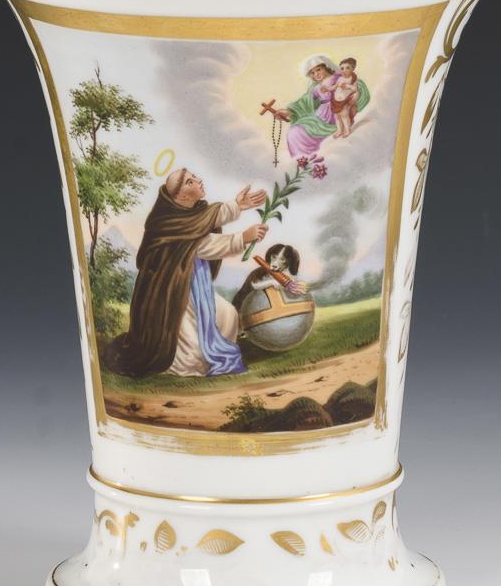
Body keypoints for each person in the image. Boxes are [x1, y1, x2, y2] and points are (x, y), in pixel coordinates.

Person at [102, 168, 267, 379]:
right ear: (181, 197)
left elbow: (208, 218)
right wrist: (243, 237)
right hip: (174, 293)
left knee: (228, 315)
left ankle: (210, 350)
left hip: (196, 282)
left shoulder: (192, 212)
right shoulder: (168, 223)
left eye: (194, 177)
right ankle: (184, 359)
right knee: (191, 356)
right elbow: (202, 245)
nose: (198, 180)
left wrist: (238, 205)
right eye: (190, 182)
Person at [274, 54, 370, 157]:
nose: (316, 74)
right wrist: (289, 111)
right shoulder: (315, 87)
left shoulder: (338, 77)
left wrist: (354, 98)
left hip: (336, 113)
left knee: (299, 131)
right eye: (312, 73)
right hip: (320, 117)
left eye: (318, 69)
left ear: (326, 67)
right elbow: (306, 101)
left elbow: (356, 85)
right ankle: (303, 159)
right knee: (294, 131)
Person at [331, 57, 360, 138]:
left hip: (344, 101)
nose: (344, 70)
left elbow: (355, 89)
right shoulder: (340, 78)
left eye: (347, 68)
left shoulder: (352, 79)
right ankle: (339, 131)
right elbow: (334, 86)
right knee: (337, 116)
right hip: (336, 101)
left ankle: (347, 130)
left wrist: (347, 86)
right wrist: (327, 89)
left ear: (353, 69)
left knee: (344, 115)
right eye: (342, 68)